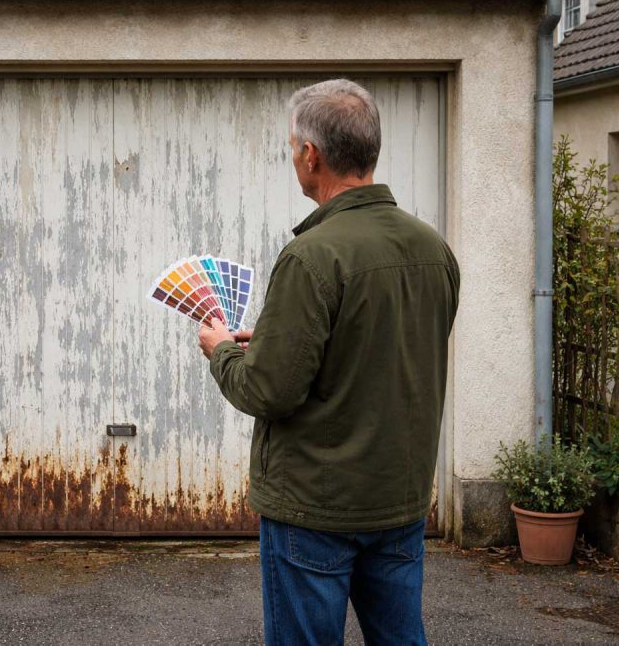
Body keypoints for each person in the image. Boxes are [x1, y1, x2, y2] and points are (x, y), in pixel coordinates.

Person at [197, 78, 460, 646]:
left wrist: (221, 350)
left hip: (315, 509)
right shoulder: (432, 249)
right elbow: (379, 349)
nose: (294, 156)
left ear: (310, 155)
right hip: (398, 501)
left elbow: (268, 392)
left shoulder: (312, 256)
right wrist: (273, 337)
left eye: (294, 147)